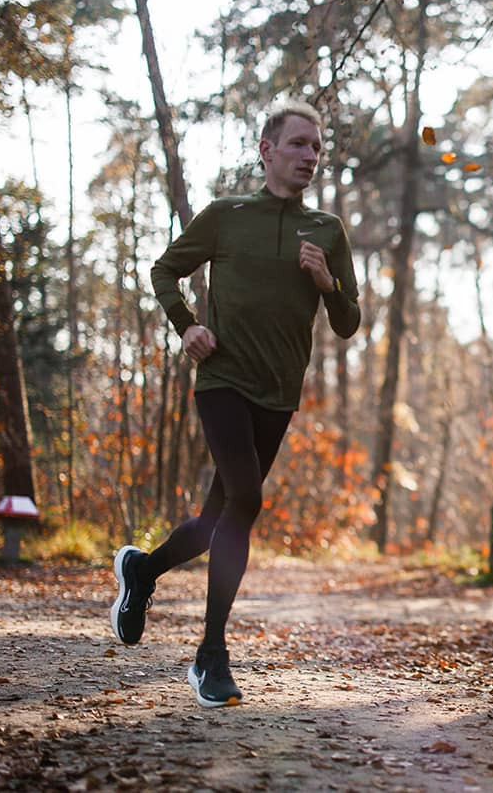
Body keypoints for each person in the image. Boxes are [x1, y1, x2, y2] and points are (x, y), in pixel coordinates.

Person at [109, 100, 361, 708]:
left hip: (279, 392)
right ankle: (211, 654)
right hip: (222, 379)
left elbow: (349, 321)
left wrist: (326, 283)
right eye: (298, 144)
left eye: (317, 147)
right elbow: (164, 271)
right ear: (266, 151)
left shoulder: (327, 230)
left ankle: (142, 571)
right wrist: (187, 326)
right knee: (246, 500)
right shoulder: (227, 215)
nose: (310, 156)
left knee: (216, 520)